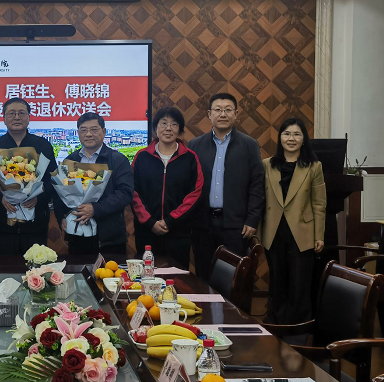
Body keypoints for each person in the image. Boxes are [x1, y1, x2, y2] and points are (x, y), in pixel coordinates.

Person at [188, 93, 264, 280]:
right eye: (218, 110)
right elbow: (189, 185)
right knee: (204, 277)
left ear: (236, 114)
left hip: (236, 226)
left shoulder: (249, 145)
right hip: (202, 225)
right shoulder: (195, 145)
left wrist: (252, 220)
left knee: (233, 279)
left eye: (228, 110)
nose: (223, 114)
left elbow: (257, 184)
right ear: (209, 114)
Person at [261, 117, 325, 325]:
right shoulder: (267, 165)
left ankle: (299, 328)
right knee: (277, 282)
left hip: (302, 233)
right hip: (274, 231)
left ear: (304, 139)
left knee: (300, 283)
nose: (291, 138)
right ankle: (276, 325)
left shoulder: (314, 166)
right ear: (280, 137)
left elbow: (319, 204)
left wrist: (319, 235)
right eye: (287, 133)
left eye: (297, 134)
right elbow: (259, 200)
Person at [0, 98, 57, 254]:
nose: (17, 117)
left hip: (36, 222)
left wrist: (38, 198)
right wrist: (0, 198)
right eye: (11, 113)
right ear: (4, 118)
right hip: (2, 222)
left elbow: (53, 180)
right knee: (2, 265)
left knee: (35, 264)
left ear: (29, 117)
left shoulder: (43, 145)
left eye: (21, 113)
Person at [131, 108, 203, 268]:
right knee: (146, 276)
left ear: (180, 130)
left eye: (174, 124)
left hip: (179, 233)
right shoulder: (142, 156)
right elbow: (133, 192)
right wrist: (150, 222)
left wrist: (170, 221)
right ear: (155, 128)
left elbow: (195, 193)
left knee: (177, 278)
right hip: (147, 232)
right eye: (163, 123)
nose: (168, 128)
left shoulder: (190, 158)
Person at [53, 112, 134, 256]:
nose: (88, 134)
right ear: (78, 133)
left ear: (104, 132)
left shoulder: (118, 160)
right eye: (83, 130)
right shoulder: (69, 161)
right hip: (77, 236)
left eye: (94, 130)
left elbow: (125, 193)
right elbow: (59, 193)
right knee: (78, 270)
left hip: (109, 239)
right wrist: (62, 217)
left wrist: (95, 208)